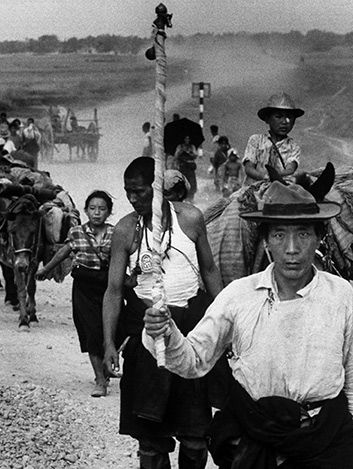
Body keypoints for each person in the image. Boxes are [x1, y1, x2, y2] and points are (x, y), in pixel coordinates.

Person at [143, 180, 353, 468]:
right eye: (279, 235)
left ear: (320, 236)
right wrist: (164, 332)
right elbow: (193, 360)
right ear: (266, 240)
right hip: (257, 435)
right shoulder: (239, 295)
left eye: (304, 233)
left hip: (326, 438)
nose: (292, 249)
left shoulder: (340, 293)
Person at [102, 157, 223, 469]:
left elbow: (209, 270)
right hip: (147, 331)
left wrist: (227, 324)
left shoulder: (190, 219)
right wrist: (108, 344)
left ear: (156, 189)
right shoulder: (126, 230)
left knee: (195, 434)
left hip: (191, 328)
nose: (133, 198)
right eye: (128, 192)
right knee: (150, 437)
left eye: (140, 192)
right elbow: (114, 291)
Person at [37, 190, 115, 397]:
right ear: (86, 210)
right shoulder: (77, 232)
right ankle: (100, 379)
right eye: (92, 208)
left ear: (109, 212)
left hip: (109, 288)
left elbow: (130, 254)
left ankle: (107, 363)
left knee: (114, 329)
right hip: (84, 288)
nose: (97, 213)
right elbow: (66, 250)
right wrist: (46, 268)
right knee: (91, 332)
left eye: (102, 209)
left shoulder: (116, 233)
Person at [243, 92, 304, 186]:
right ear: (267, 119)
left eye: (289, 117)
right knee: (236, 200)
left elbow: (290, 169)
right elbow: (249, 168)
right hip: (253, 188)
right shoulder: (256, 140)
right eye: (278, 117)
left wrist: (275, 176)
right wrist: (264, 177)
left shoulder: (293, 147)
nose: (284, 122)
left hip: (280, 188)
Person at [174, 135, 198, 202]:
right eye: (186, 138)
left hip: (190, 167)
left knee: (192, 182)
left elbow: (195, 155)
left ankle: (191, 198)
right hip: (183, 166)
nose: (187, 140)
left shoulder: (192, 147)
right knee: (183, 182)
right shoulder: (180, 146)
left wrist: (190, 153)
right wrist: (181, 151)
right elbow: (176, 156)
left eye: (188, 138)